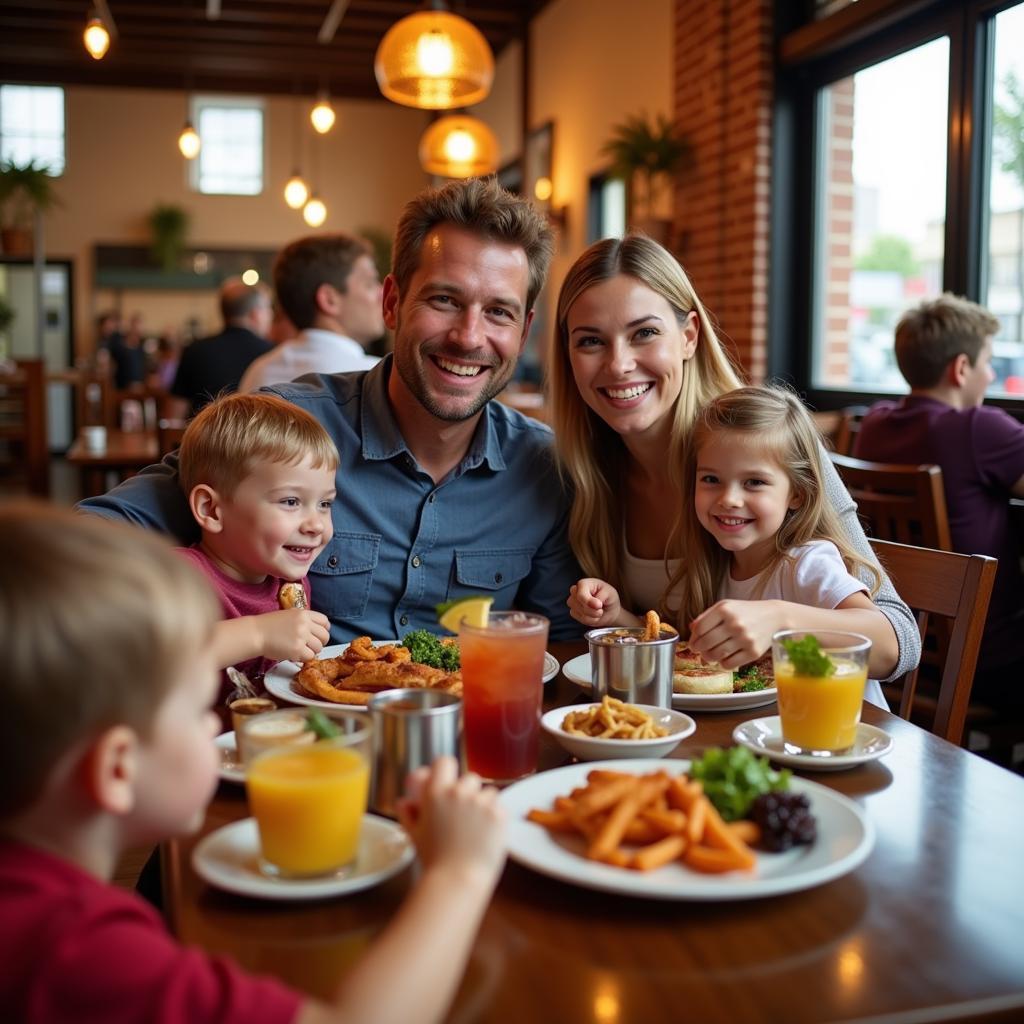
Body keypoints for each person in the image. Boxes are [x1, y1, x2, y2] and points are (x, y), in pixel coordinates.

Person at [0, 503, 506, 1024]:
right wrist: (460, 872)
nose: (210, 728)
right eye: (197, 712)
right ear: (117, 770)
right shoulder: (83, 956)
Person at [78, 177, 581, 642]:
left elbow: (557, 643)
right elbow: (85, 547)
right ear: (391, 303)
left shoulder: (543, 468)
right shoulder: (285, 428)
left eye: (498, 312)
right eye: (445, 300)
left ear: (524, 328)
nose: (469, 336)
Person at [551, 233, 919, 678]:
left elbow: (901, 641)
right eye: (591, 341)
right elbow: (678, 646)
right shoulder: (585, 474)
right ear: (568, 354)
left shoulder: (761, 446)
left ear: (688, 336)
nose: (618, 364)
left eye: (644, 333)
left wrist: (782, 620)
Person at [574, 385, 898, 702]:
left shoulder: (806, 562)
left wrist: (779, 620)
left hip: (838, 737)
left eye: (754, 482)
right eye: (711, 479)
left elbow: (888, 647)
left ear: (797, 493)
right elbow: (688, 654)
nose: (729, 499)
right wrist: (616, 616)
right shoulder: (716, 563)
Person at [853, 293, 1024, 709]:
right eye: (987, 364)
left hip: (899, 645)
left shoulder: (874, 425)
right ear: (961, 368)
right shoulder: (977, 429)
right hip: (982, 656)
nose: (990, 376)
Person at [176, 392, 336, 684]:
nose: (316, 525)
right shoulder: (180, 576)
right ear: (211, 509)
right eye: (290, 501)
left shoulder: (291, 585)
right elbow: (152, 658)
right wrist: (258, 635)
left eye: (325, 504)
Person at [239, 234, 383, 392]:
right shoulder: (377, 379)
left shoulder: (259, 372)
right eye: (369, 284)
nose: (382, 293)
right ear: (329, 300)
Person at [171, 277, 273, 416]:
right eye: (267, 309)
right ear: (255, 314)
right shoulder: (272, 353)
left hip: (202, 436)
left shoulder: (195, 351)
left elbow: (174, 414)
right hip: (257, 438)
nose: (270, 315)